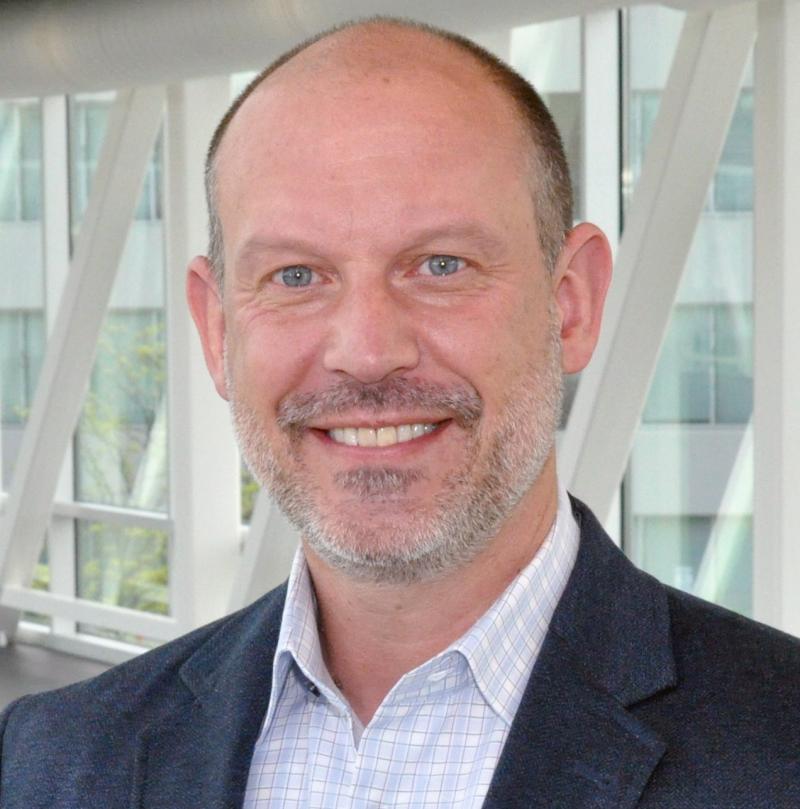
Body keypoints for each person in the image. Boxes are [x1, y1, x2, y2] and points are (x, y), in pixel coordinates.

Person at [1, 17, 799, 809]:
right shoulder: (53, 759)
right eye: (294, 275)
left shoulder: (779, 746)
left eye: (440, 265)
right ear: (216, 329)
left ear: (573, 303)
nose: (367, 350)